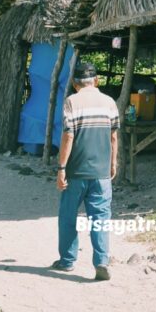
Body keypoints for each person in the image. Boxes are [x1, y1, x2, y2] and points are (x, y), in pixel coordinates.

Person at [51, 60, 119, 280]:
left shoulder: (71, 102)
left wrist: (61, 167)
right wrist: (113, 163)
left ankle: (68, 260)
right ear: (96, 81)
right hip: (101, 173)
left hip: (76, 172)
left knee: (68, 216)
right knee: (100, 218)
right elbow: (114, 136)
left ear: (74, 83)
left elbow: (68, 135)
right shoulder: (109, 102)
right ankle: (101, 261)